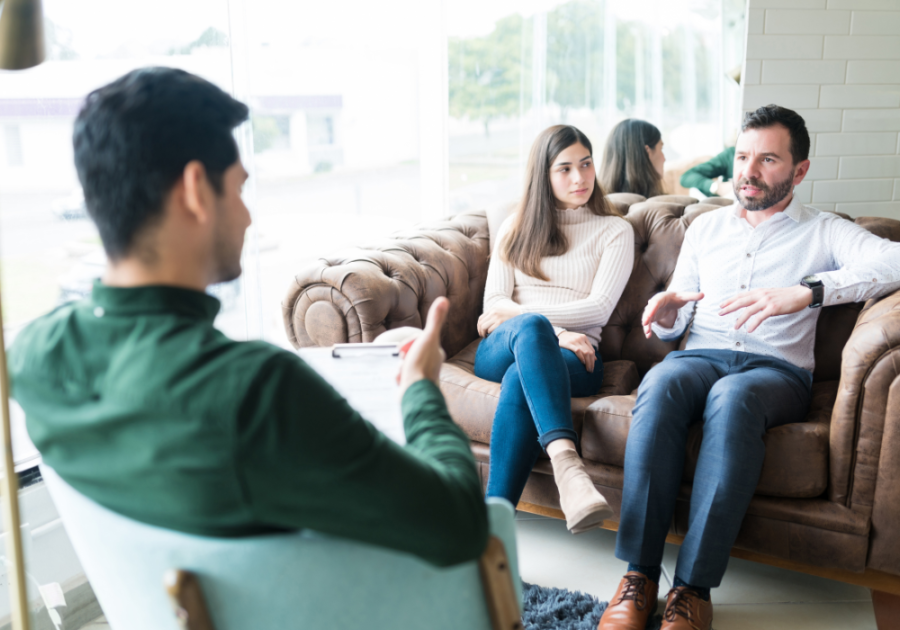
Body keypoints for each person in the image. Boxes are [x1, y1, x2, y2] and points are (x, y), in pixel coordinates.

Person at [8, 67, 488, 568]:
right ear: (195, 189)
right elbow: (459, 527)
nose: (247, 216)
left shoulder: (34, 354)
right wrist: (421, 391)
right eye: (237, 189)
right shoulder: (256, 389)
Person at [599, 104, 900, 630]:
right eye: (742, 157)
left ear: (799, 170)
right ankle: (639, 576)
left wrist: (806, 294)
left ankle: (692, 590)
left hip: (774, 371)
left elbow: (894, 260)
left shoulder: (825, 231)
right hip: (701, 354)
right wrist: (669, 317)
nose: (748, 172)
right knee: (662, 381)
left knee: (732, 400)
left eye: (767, 160)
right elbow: (679, 317)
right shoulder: (706, 229)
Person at [476, 124, 634, 533]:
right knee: (529, 329)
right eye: (564, 169)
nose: (580, 178)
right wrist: (556, 331)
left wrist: (538, 325)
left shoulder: (614, 230)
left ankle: (492, 531)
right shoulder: (515, 227)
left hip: (577, 360)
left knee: (520, 376)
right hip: (508, 345)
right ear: (543, 176)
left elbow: (598, 309)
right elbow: (491, 306)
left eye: (585, 164)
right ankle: (569, 468)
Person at [598, 119, 666, 199]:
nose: (664, 158)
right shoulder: (665, 207)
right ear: (647, 152)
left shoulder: (594, 205)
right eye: (661, 148)